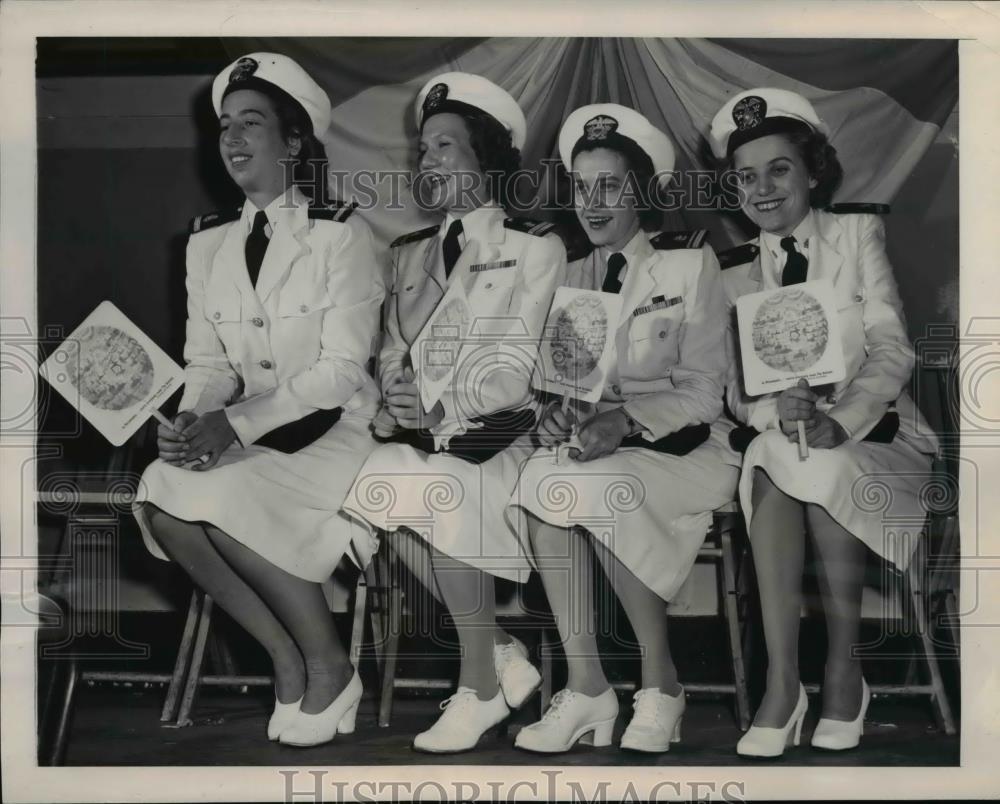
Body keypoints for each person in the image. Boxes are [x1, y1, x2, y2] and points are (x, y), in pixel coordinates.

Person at [132, 53, 384, 748]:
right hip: (246, 427)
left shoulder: (342, 232)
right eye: (224, 128)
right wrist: (191, 419)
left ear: (294, 142)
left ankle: (331, 662)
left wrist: (232, 424)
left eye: (253, 123)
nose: (234, 139)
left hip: (330, 429)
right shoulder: (207, 241)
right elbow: (208, 361)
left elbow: (339, 371)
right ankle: (285, 656)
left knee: (230, 496)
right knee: (162, 496)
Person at [708, 88, 939, 757]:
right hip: (787, 442)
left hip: (879, 437)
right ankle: (785, 683)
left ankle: (844, 668)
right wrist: (768, 408)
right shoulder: (730, 272)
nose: (762, 188)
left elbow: (892, 347)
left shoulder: (855, 236)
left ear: (812, 171)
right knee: (781, 459)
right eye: (746, 176)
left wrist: (843, 418)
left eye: (778, 168)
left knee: (813, 462)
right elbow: (731, 386)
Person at [341, 72, 567, 753]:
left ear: (486, 162)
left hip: (503, 438)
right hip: (428, 434)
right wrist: (398, 392)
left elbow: (522, 364)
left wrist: (442, 400)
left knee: (437, 490)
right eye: (424, 148)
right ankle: (498, 652)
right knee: (375, 481)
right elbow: (389, 351)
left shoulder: (534, 247)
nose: (428, 161)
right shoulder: (407, 254)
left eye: (446, 146)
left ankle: (480, 688)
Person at [507, 104, 737, 753]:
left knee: (594, 483)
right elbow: (560, 383)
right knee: (543, 477)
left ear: (643, 192)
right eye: (582, 188)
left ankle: (660, 684)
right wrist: (556, 410)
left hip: (685, 449)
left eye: (610, 186)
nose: (593, 202)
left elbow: (702, 392)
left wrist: (623, 419)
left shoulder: (689, 267)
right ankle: (587, 688)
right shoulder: (571, 276)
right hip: (600, 454)